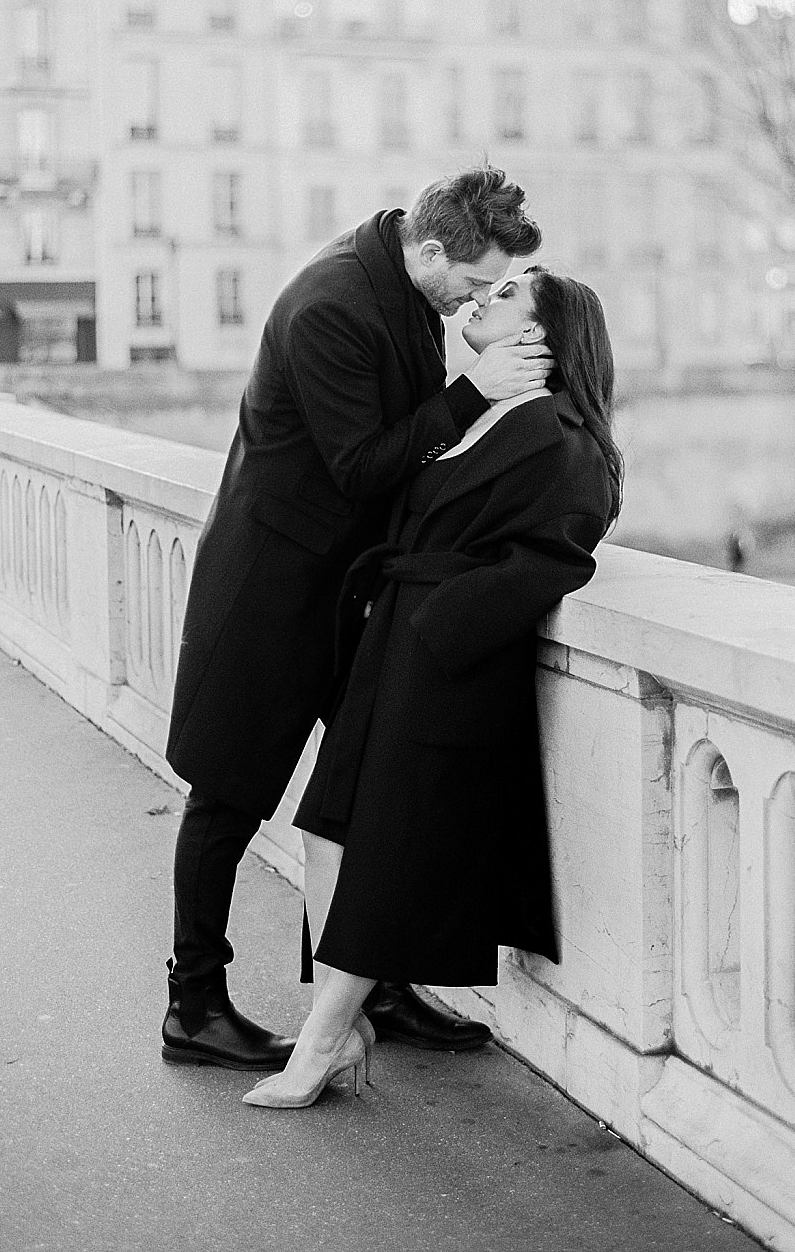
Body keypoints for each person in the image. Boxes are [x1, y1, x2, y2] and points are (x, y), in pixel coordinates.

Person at [161, 169, 548, 1071]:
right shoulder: (331, 306)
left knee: (371, 788)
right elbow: (362, 466)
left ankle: (371, 982)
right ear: (429, 250)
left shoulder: (406, 288)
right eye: (475, 280)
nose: (479, 298)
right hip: (267, 593)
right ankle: (193, 1006)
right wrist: (474, 392)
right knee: (226, 799)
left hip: (340, 590)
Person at [243, 265, 623, 1108]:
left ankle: (321, 1045)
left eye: (510, 294)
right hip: (388, 648)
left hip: (443, 666)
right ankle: (343, 1027)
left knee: (380, 856)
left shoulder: (567, 440)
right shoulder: (481, 410)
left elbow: (560, 553)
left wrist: (440, 622)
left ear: (545, 338)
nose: (484, 298)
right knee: (327, 834)